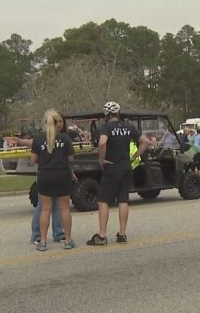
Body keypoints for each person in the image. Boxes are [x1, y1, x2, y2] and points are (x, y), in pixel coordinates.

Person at [87, 101, 151, 246]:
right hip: (126, 167)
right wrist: (134, 157)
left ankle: (102, 236)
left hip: (112, 167)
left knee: (103, 200)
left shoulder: (106, 127)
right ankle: (122, 234)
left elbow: (102, 143)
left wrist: (101, 159)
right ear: (118, 113)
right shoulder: (129, 127)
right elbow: (145, 142)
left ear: (106, 115)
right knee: (123, 200)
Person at [30, 110, 76, 251]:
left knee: (45, 209)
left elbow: (33, 160)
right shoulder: (64, 138)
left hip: (45, 175)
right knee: (64, 208)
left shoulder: (38, 139)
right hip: (62, 175)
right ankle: (67, 240)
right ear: (57, 123)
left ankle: (42, 241)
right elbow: (71, 158)